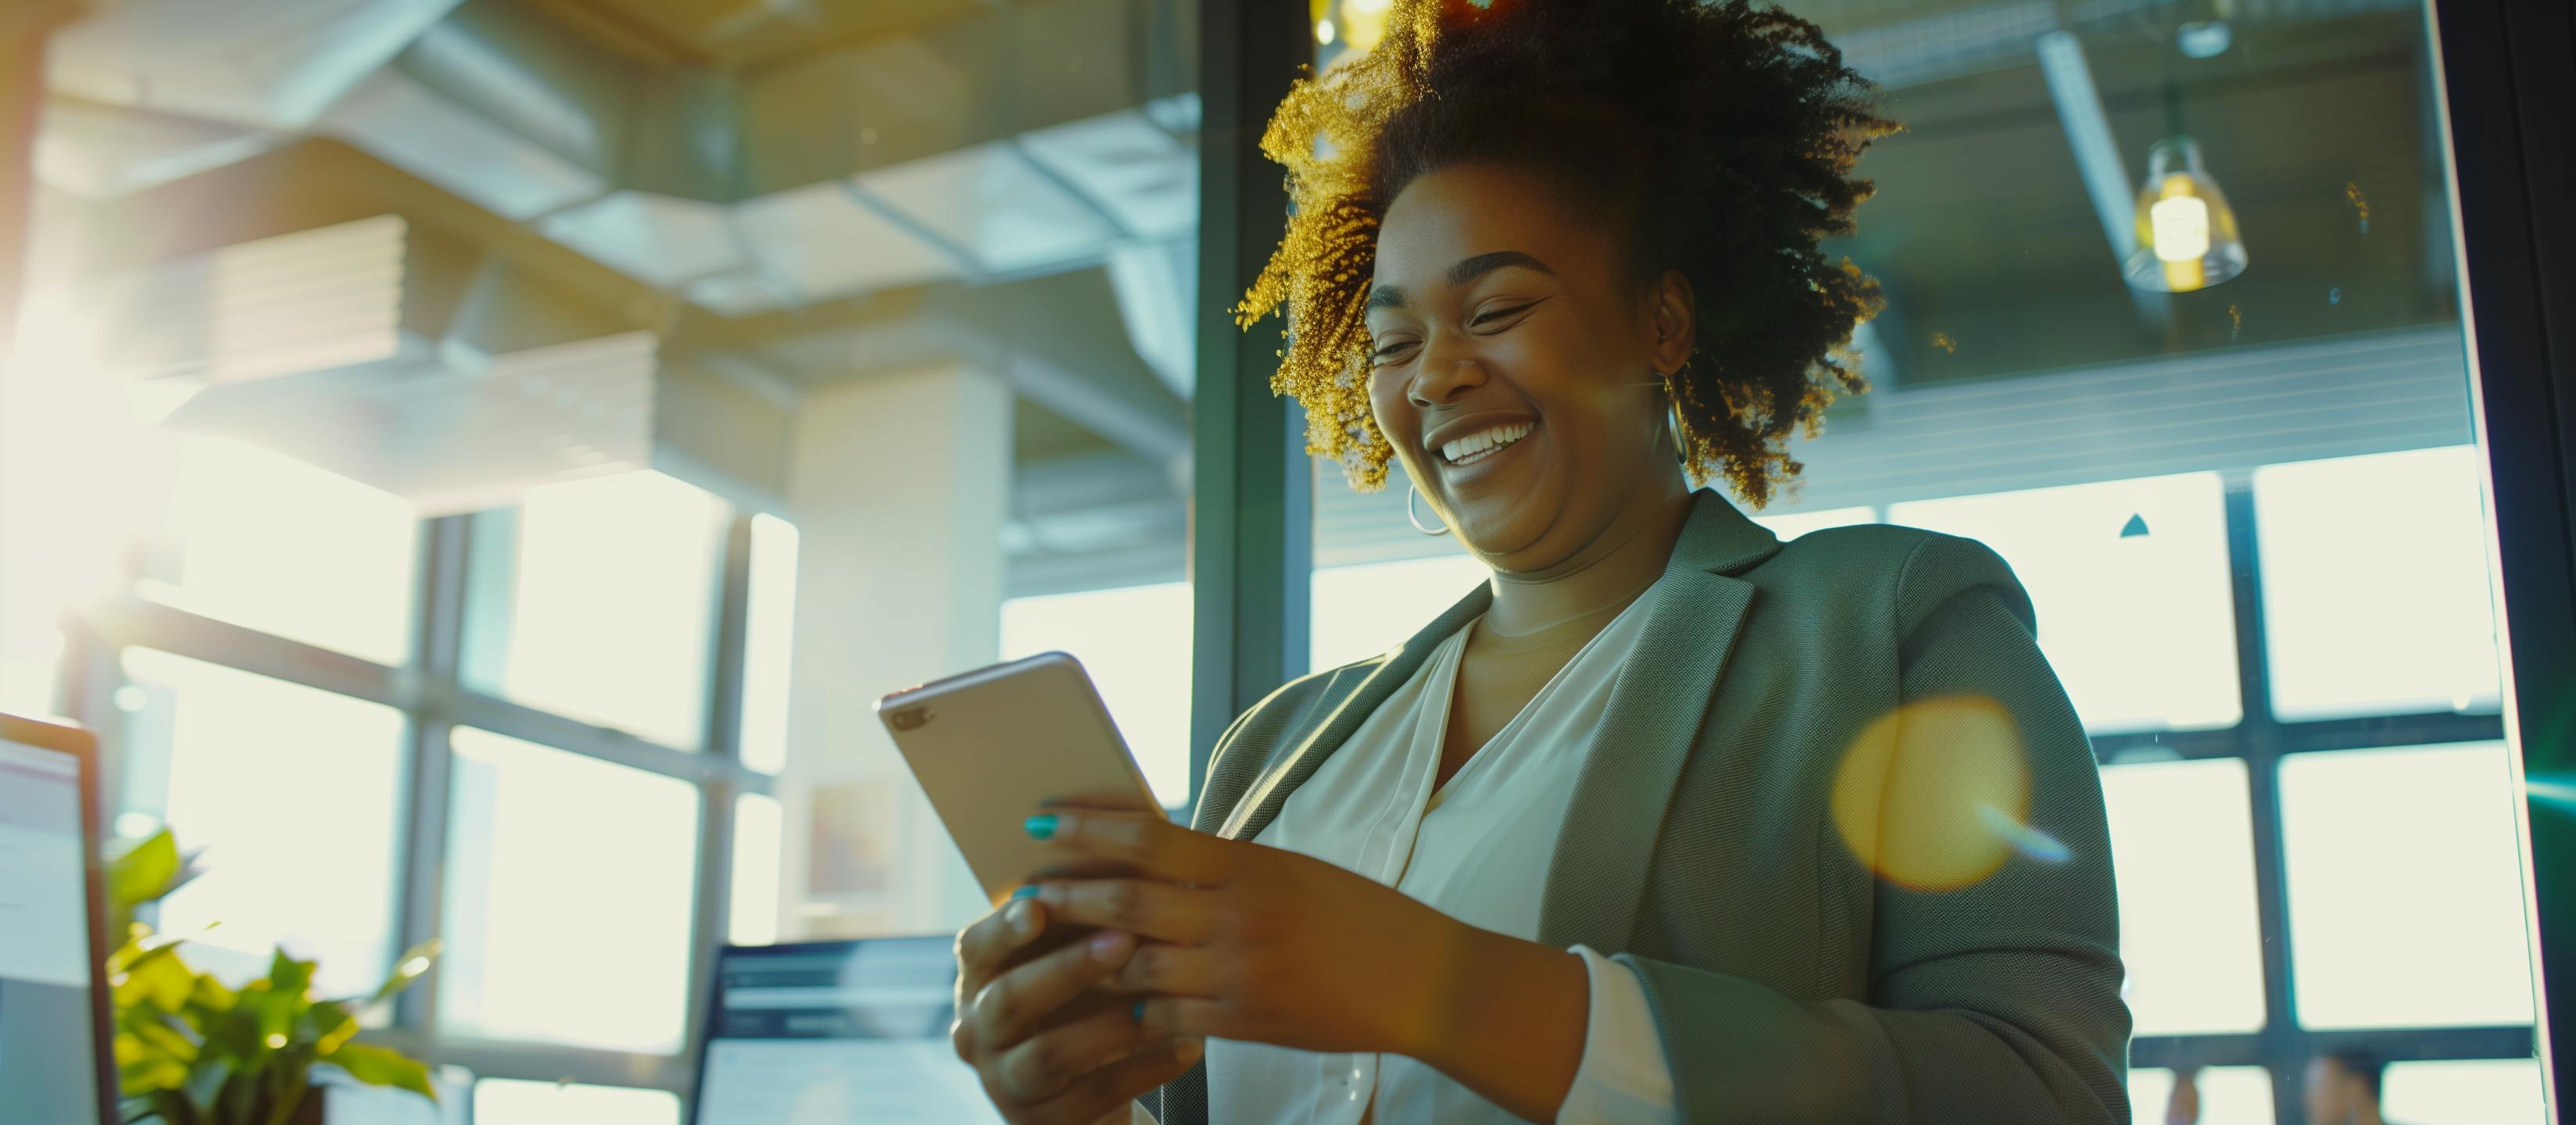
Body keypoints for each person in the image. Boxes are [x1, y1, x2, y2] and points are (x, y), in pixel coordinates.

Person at [946, 1, 2129, 1121]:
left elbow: (2042, 1091)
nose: (1434, 375)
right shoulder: (1279, 750)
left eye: (1498, 308)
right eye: (1394, 340)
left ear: (1661, 323)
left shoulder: (1889, 628)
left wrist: (1437, 984)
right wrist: (1078, 1103)